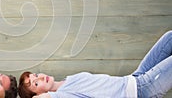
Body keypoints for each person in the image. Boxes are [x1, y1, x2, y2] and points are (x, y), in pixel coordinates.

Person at [18, 30, 172, 98]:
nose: (39, 78)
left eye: (35, 76)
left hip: (135, 78)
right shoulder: (62, 95)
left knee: (169, 38)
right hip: (142, 91)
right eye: (35, 84)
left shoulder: (67, 80)